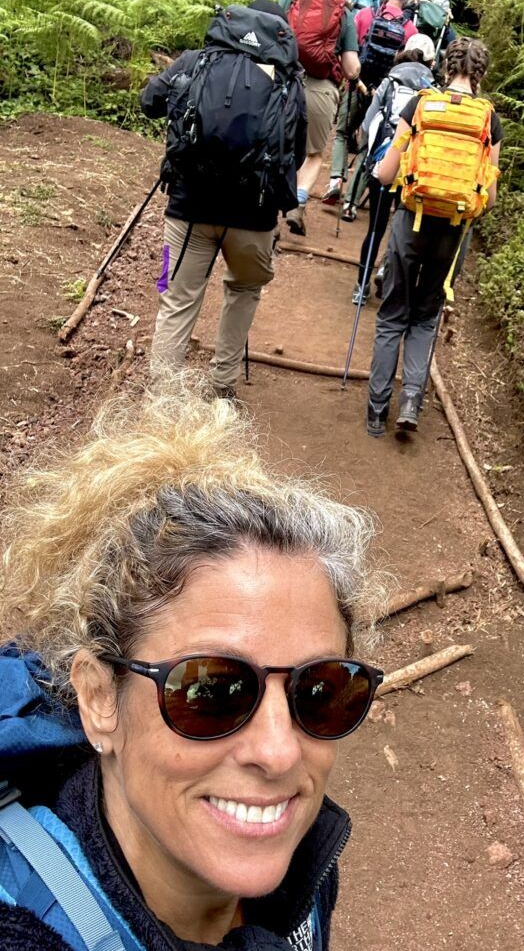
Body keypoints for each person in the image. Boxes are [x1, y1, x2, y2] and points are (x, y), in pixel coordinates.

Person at [0, 382, 384, 951]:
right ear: (99, 699)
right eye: (211, 692)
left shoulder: (305, 860)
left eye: (320, 692)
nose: (279, 753)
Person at [141, 0, 307, 401]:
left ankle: (163, 395)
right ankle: (221, 385)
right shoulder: (287, 79)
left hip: (187, 211)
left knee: (176, 297)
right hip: (254, 217)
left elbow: (150, 102)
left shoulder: (196, 61)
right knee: (245, 291)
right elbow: (296, 153)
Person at [366, 38, 503, 438]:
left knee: (393, 313)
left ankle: (376, 412)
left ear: (446, 67)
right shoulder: (488, 120)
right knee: (425, 316)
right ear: (480, 75)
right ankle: (411, 400)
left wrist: (380, 176)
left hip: (412, 222)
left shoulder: (421, 105)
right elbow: (489, 196)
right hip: (454, 232)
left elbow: (388, 173)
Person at [322, 0, 418, 218]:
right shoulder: (409, 29)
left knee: (343, 133)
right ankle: (351, 205)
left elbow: (348, 50)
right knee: (369, 147)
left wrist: (350, 79)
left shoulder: (365, 16)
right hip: (384, 94)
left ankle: (334, 181)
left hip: (357, 84)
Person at [351, 34, 436, 306]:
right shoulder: (434, 90)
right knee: (402, 226)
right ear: (432, 61)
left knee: (375, 225)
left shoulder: (390, 81)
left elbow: (367, 124)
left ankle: (361, 286)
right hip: (414, 170)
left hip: (384, 161)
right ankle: (387, 268)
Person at [279, 0, 361, 237]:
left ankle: (266, 217)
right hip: (320, 89)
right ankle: (298, 202)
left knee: (275, 146)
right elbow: (351, 69)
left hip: (281, 83)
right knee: (313, 154)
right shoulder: (344, 13)